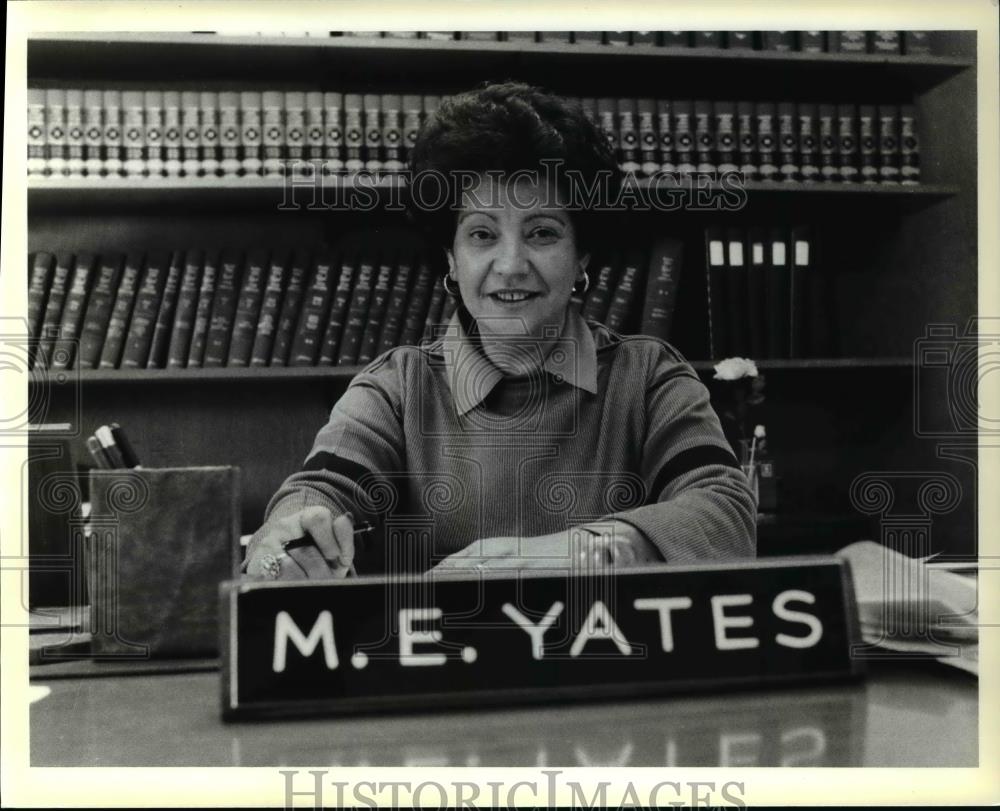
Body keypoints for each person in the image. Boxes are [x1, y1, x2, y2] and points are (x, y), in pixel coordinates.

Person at [244, 82, 755, 581]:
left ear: (582, 256)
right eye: (482, 234)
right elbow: (319, 491)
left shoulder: (648, 377)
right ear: (452, 256)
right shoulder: (398, 388)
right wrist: (288, 542)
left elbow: (725, 515)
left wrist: (584, 554)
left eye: (542, 232)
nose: (510, 265)